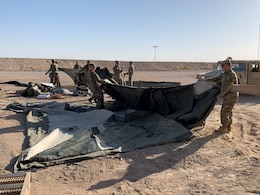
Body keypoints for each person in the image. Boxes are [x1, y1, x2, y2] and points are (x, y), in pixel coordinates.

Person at [206, 57, 239, 133]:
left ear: (228, 66)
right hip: (228, 95)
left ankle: (224, 128)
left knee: (224, 112)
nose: (222, 68)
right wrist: (205, 80)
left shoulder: (231, 75)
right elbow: (216, 79)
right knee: (228, 111)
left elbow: (228, 87)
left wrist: (220, 95)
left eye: (223, 66)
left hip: (231, 95)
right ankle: (227, 127)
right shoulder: (224, 74)